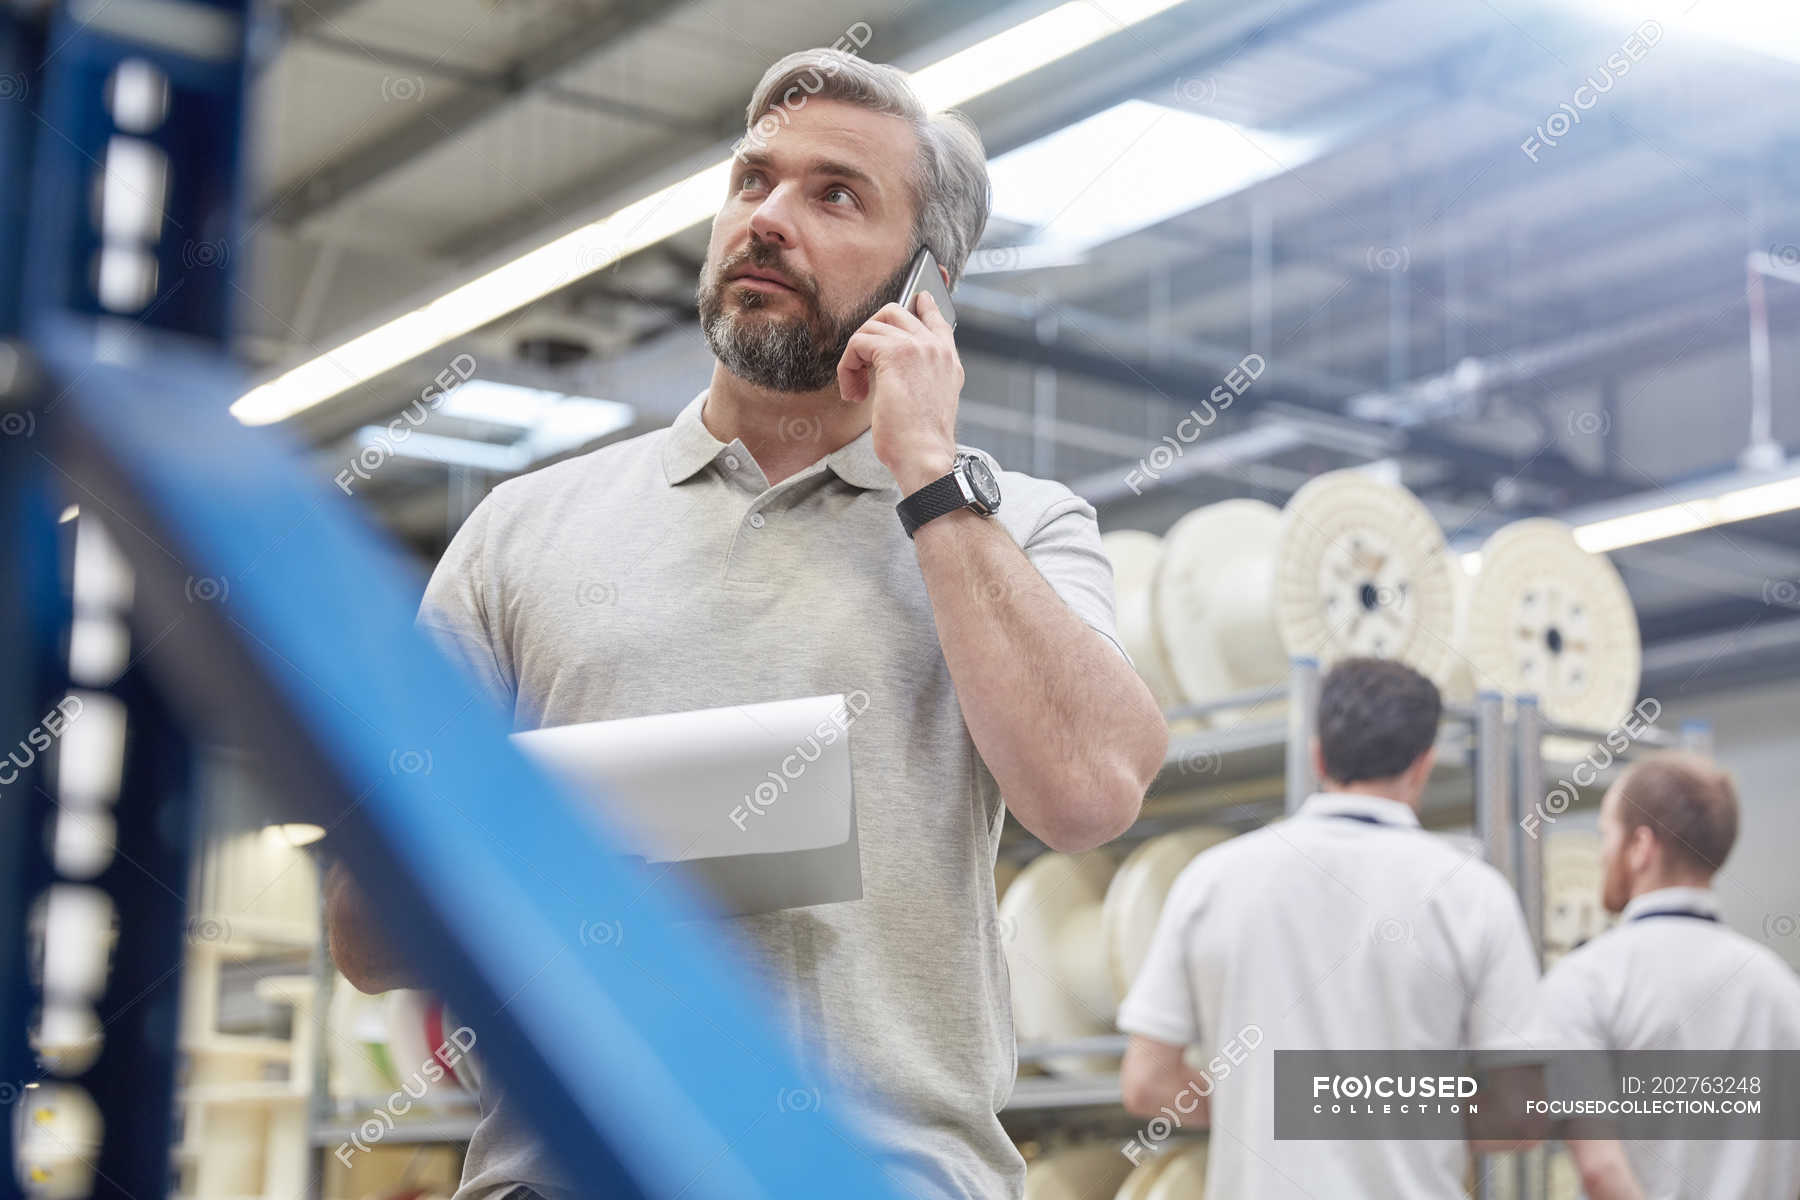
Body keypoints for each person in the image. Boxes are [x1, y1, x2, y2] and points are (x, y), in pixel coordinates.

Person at [323, 46, 1168, 1200]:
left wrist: (927, 476)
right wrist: (558, 819)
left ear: (927, 289)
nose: (767, 219)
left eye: (834, 194)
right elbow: (368, 939)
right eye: (752, 181)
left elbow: (1091, 792)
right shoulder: (520, 530)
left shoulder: (1015, 524)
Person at [1117, 657, 1543, 1198]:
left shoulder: (1211, 880)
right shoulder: (1473, 893)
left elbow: (1147, 1083)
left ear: (1318, 753)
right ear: (1424, 763)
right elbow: (1519, 1117)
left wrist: (1261, 1105)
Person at [1536, 752, 1800, 1200]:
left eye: (1606, 835)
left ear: (1640, 847)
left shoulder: (1588, 981)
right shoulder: (1781, 987)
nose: (1601, 855)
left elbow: (1601, 1169)